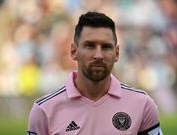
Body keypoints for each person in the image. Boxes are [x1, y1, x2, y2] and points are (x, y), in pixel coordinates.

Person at [27, 11, 163, 135]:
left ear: (116, 53)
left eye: (106, 47)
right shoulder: (44, 110)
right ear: (74, 51)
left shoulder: (142, 104)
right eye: (90, 46)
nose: (98, 55)